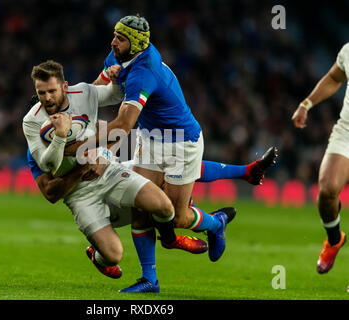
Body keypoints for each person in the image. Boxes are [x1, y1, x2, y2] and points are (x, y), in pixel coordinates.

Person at [65, 14, 277, 292]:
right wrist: (104, 81)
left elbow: (124, 124)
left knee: (176, 217)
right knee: (140, 204)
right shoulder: (119, 54)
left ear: (136, 44)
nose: (113, 41)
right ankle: (149, 279)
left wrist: (85, 146)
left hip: (181, 141)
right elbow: (97, 91)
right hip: (152, 137)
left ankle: (215, 223)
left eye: (120, 38)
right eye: (115, 35)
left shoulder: (145, 71)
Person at [22, 60, 208, 291]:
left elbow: (116, 95)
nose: (47, 98)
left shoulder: (83, 94)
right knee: (114, 255)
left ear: (65, 86)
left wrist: (116, 76)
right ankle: (99, 255)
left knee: (163, 206)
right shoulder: (32, 123)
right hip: (78, 194)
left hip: (108, 171)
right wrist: (61, 139)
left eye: (51, 91)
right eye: (41, 94)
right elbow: (48, 174)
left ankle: (173, 240)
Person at [291, 42, 349, 274]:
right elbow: (335, 78)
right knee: (326, 190)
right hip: (347, 131)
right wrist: (306, 104)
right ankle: (334, 239)